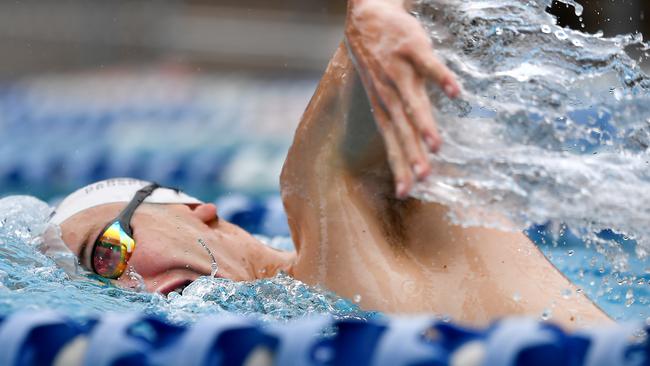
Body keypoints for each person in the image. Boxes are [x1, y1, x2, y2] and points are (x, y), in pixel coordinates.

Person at [51, 0, 612, 328]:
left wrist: (378, 9)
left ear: (197, 211)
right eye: (99, 289)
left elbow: (408, 31)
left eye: (108, 251)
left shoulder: (330, 202)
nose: (125, 287)